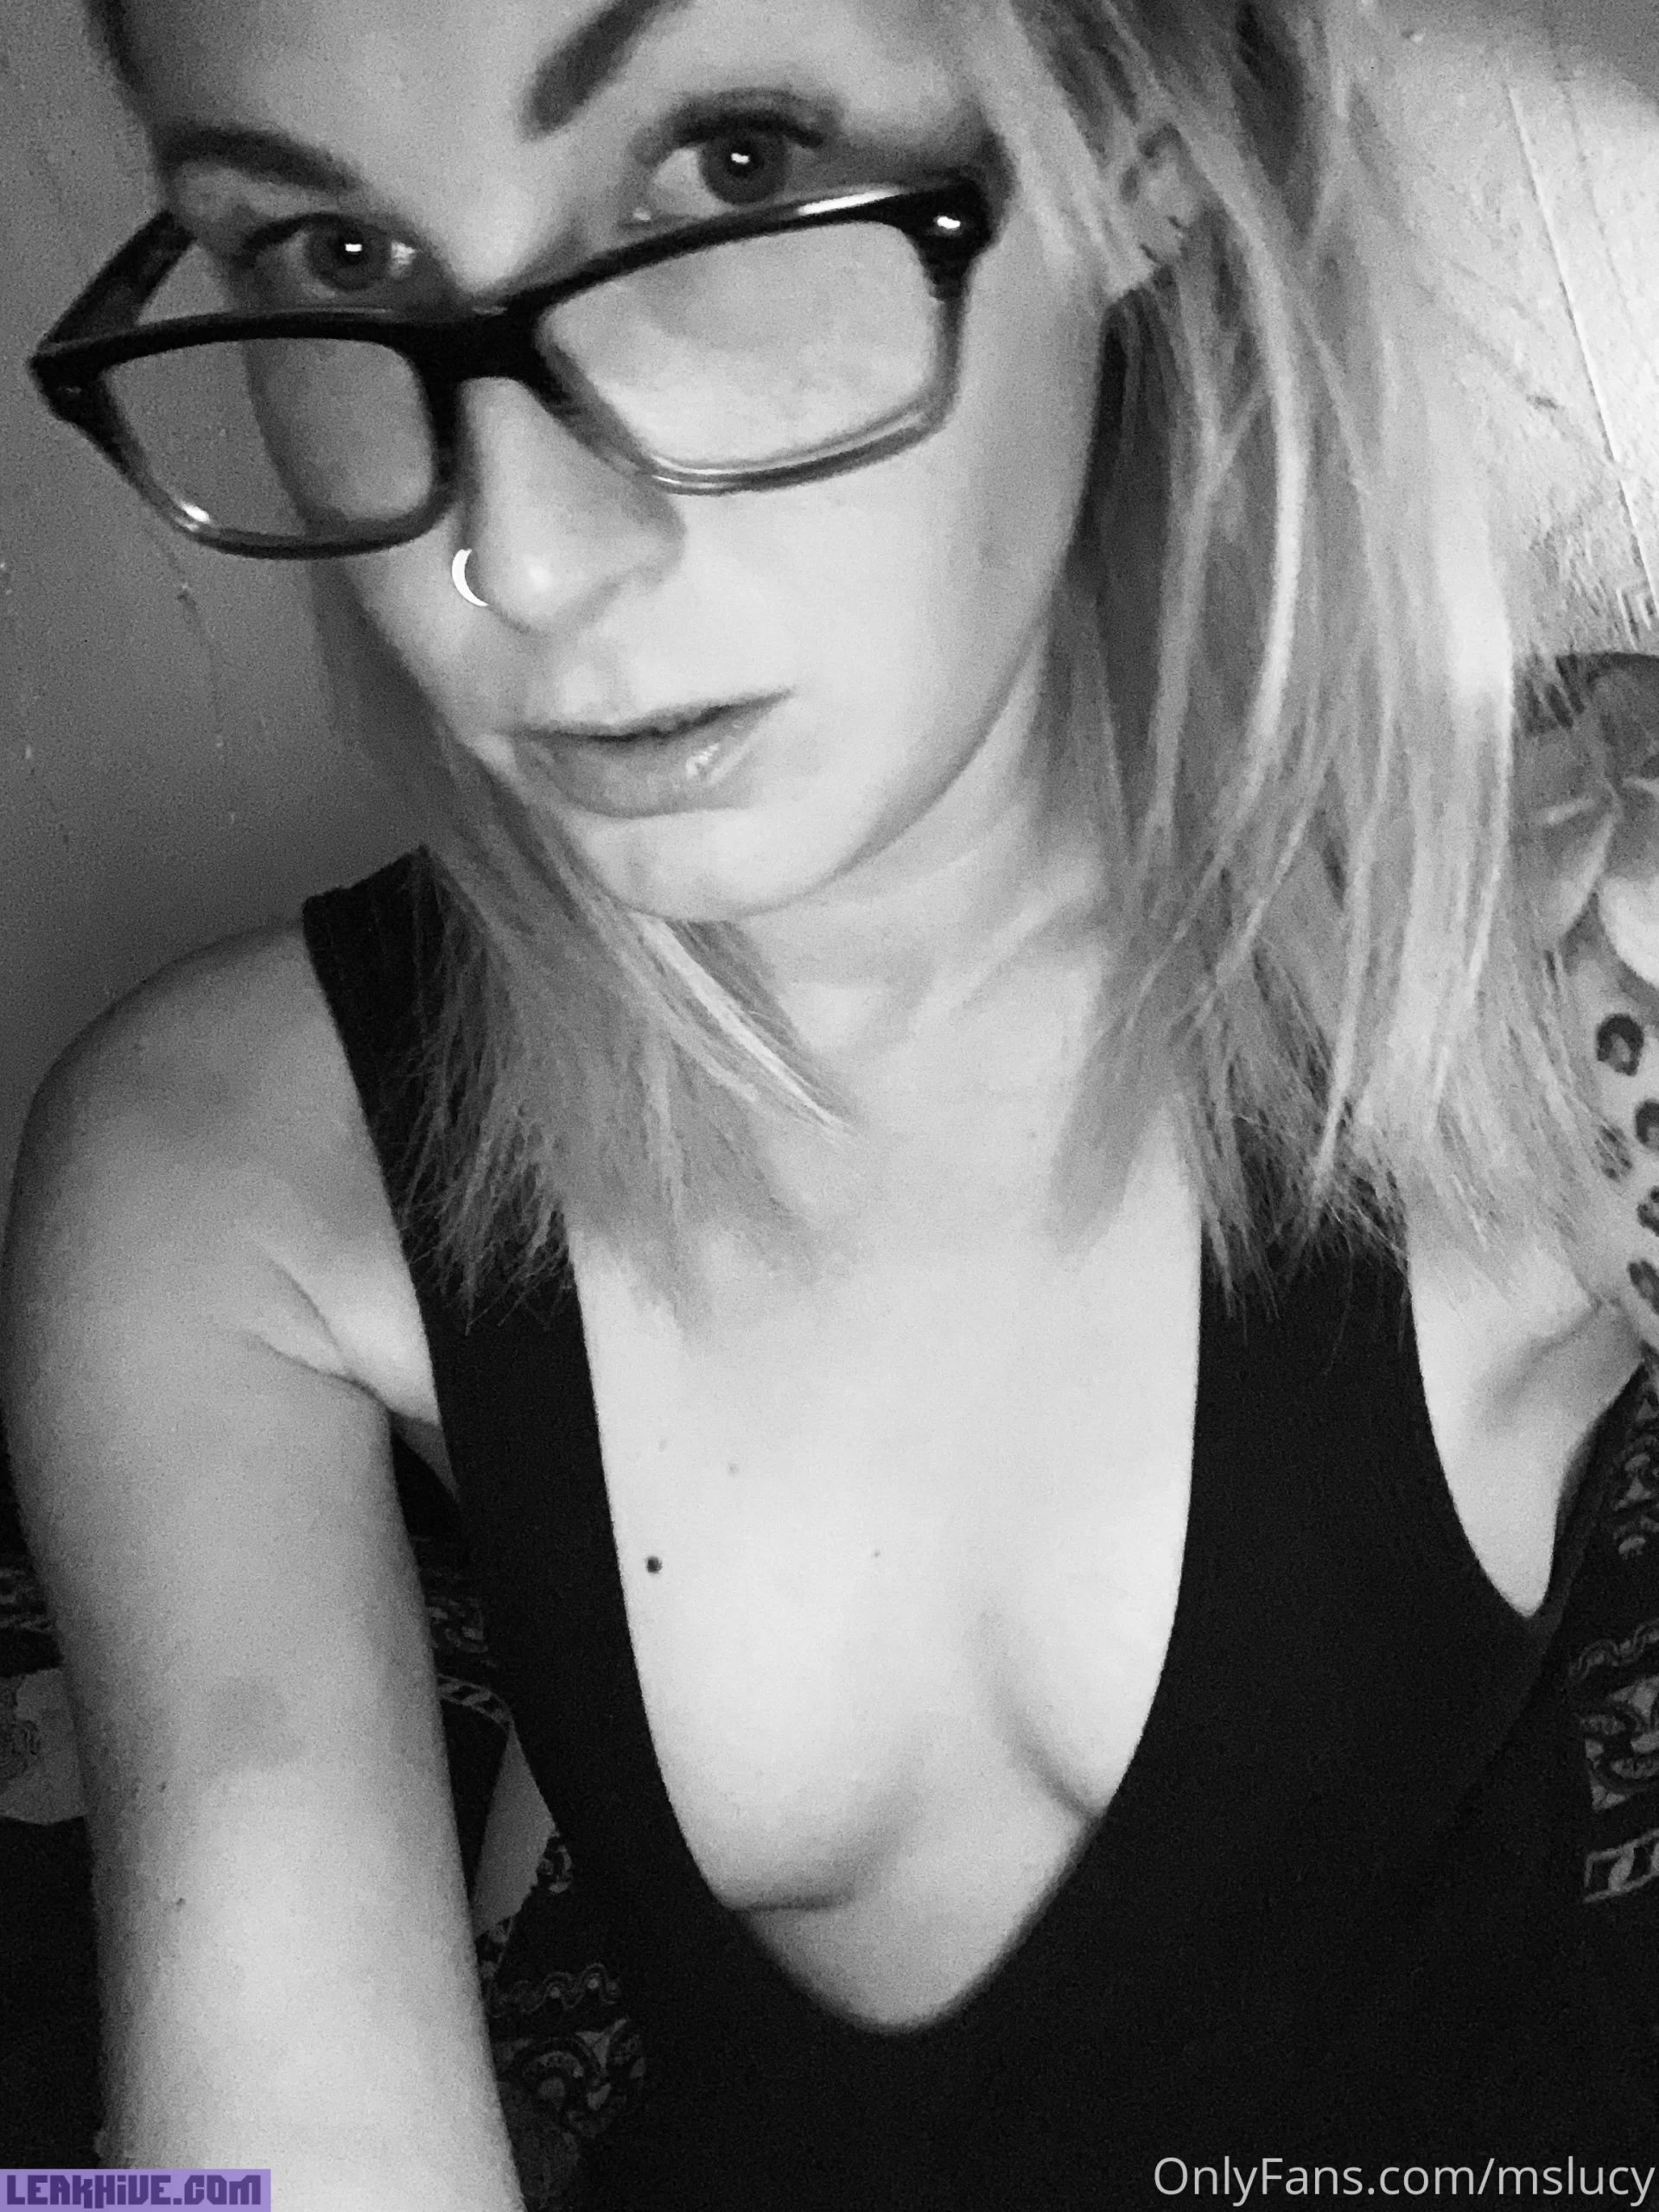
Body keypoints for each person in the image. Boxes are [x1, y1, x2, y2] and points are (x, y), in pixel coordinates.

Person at [5, 0, 1659, 2201]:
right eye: (337, 257)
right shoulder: (215, 1166)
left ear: (1141, 141)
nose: (522, 555)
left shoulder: (1557, 953)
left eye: (739, 168)